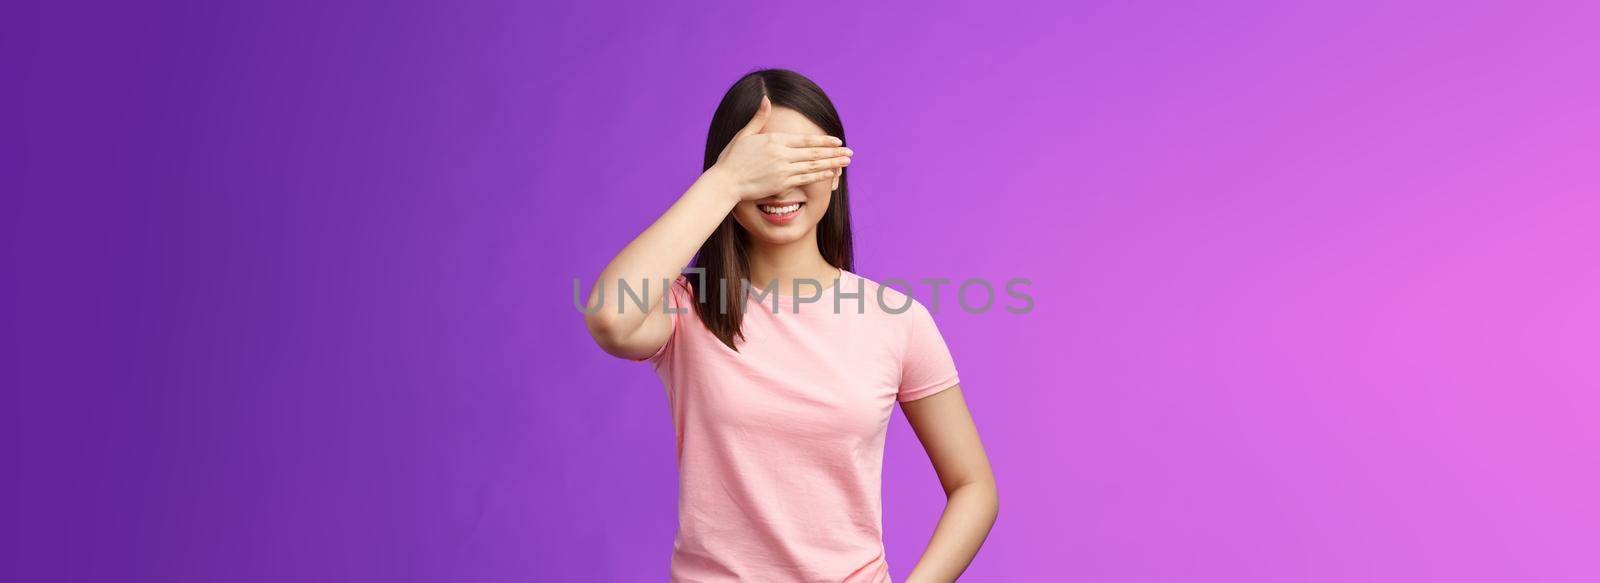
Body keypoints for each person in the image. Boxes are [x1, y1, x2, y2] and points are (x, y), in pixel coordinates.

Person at [584, 68, 997, 582]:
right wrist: (726, 180)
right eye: (762, 162)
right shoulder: (684, 309)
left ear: (837, 170)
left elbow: (973, 485)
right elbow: (608, 317)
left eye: (801, 158)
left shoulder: (898, 320)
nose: (781, 182)